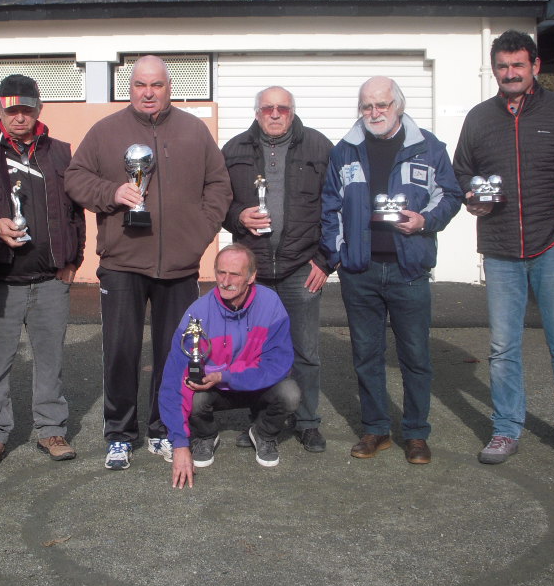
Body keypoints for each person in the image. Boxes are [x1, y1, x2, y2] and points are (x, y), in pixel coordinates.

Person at [64, 55, 232, 471]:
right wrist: (112, 193)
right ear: (130, 87)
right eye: (140, 84)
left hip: (179, 264)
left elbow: (219, 185)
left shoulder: (194, 131)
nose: (148, 92)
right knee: (120, 351)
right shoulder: (106, 132)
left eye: (156, 85)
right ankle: (120, 435)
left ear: (168, 87)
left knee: (174, 352)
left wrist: (199, 232)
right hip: (123, 262)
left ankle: (162, 428)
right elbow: (75, 178)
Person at [453, 30, 554, 471]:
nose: (510, 73)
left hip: (551, 246)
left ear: (535, 66)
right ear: (494, 69)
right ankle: (505, 429)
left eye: (518, 65)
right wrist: (472, 196)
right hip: (500, 250)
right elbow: (463, 170)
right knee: (502, 349)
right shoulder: (479, 118)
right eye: (503, 66)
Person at [321, 76, 461, 465]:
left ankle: (416, 434)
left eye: (381, 105)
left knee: (415, 355)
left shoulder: (428, 147)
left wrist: (425, 221)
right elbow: (329, 206)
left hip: (408, 268)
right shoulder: (345, 152)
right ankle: (376, 429)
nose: (374, 112)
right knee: (366, 354)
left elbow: (451, 195)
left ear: (398, 105)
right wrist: (338, 255)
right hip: (360, 270)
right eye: (367, 106)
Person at [0, 75, 86, 471]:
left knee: (50, 361)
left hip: (50, 280)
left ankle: (51, 428)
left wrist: (73, 261)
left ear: (39, 108)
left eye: (26, 109)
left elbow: (75, 213)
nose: (19, 116)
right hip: (0, 280)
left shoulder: (61, 152)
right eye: (11, 109)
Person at [221, 86, 333, 452]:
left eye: (282, 108)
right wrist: (237, 214)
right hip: (254, 268)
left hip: (302, 266)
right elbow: (216, 201)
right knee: (255, 351)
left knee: (305, 352)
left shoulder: (319, 147)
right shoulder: (234, 150)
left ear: (292, 112)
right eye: (267, 108)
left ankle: (307, 422)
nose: (274, 114)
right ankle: (261, 423)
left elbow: (337, 205)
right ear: (256, 113)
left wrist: (327, 259)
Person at [159, 244, 298, 488]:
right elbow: (173, 381)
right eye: (221, 272)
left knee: (290, 393)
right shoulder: (197, 314)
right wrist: (180, 445)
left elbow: (278, 363)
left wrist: (226, 376)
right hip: (215, 389)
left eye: (234, 274)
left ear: (252, 276)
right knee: (195, 399)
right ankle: (205, 436)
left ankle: (263, 433)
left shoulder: (270, 304)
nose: (225, 281)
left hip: (251, 384)